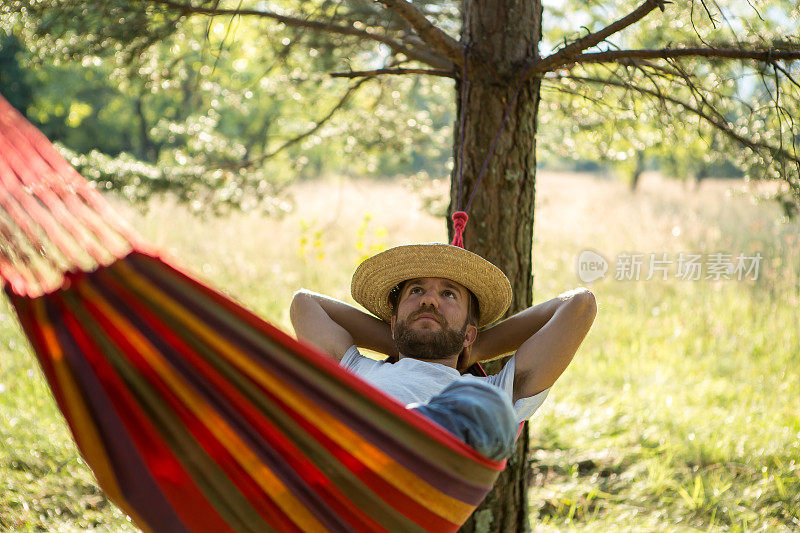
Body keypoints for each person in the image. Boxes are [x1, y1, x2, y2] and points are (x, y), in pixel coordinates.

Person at [290, 243, 597, 460]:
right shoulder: (357, 371)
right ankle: (410, 424)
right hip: (363, 471)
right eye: (417, 291)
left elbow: (580, 305)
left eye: (448, 293)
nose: (429, 301)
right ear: (393, 323)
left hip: (429, 474)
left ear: (469, 332)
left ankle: (414, 424)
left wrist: (474, 348)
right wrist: (404, 339)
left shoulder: (496, 391)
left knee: (484, 405)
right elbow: (305, 304)